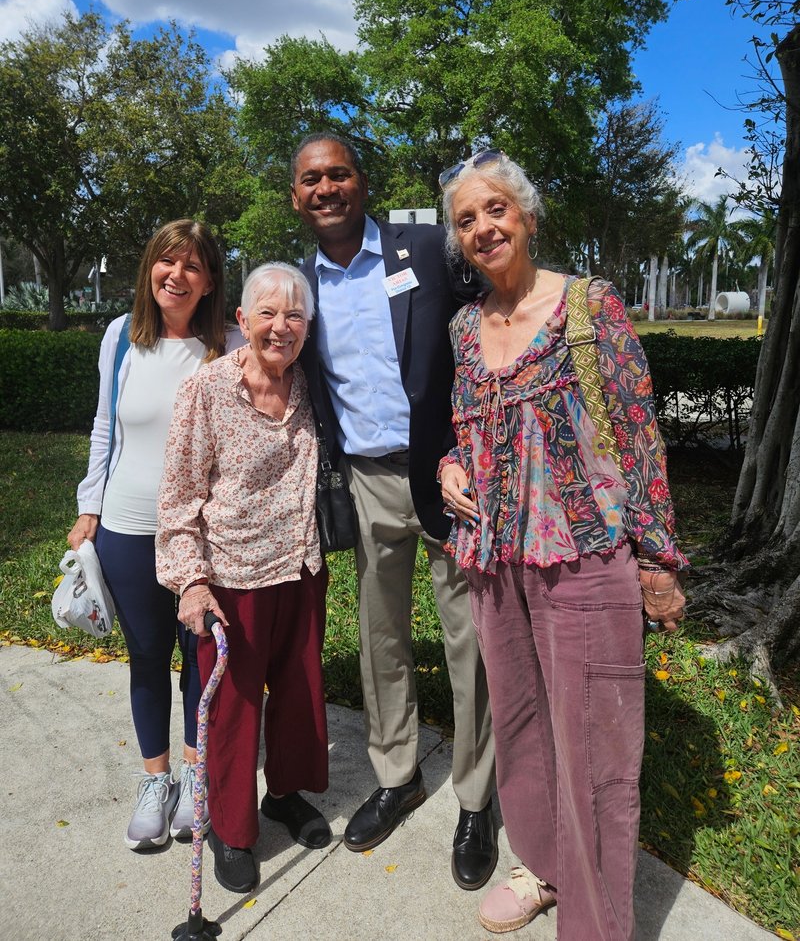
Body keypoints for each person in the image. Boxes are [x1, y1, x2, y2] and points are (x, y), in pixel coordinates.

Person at [437, 150, 688, 940]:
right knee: (519, 726)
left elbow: (640, 436)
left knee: (594, 749)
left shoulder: (590, 307)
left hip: (581, 557)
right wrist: (450, 463)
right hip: (492, 561)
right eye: (466, 220)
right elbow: (471, 428)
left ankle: (598, 918)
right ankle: (543, 869)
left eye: (495, 210)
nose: (483, 227)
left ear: (528, 216)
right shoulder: (463, 326)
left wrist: (656, 560)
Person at [292, 132, 497, 891]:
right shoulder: (297, 285)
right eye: (312, 179)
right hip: (367, 478)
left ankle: (477, 799)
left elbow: (490, 322)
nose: (326, 188)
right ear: (297, 196)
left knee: (468, 640)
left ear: (361, 183)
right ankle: (398, 773)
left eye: (338, 174)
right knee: (380, 637)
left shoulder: (428, 248)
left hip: (449, 473)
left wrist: (477, 443)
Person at [156, 262, 330, 895]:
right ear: (242, 321)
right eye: (267, 313)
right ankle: (232, 828)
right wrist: (191, 582)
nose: (280, 327)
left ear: (307, 328)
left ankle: (283, 795)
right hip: (231, 578)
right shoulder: (206, 391)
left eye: (294, 316)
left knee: (299, 691)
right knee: (232, 710)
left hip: (300, 566)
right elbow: (177, 496)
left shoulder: (307, 384)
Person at [68, 219, 231, 850]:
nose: (177, 276)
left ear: (210, 280)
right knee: (146, 657)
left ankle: (196, 776)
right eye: (167, 262)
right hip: (127, 527)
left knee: (197, 657)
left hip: (201, 534)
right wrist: (89, 506)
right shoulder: (119, 338)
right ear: (148, 271)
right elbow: (104, 430)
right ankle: (155, 780)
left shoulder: (230, 345)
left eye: (192, 266)